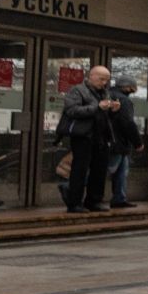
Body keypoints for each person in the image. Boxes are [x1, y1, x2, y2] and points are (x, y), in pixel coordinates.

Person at [60, 65, 120, 213]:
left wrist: (113, 110)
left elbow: (106, 116)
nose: (104, 83)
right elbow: (72, 110)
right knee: (79, 170)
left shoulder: (105, 93)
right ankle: (75, 203)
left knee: (99, 171)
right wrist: (97, 107)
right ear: (91, 76)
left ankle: (94, 201)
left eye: (106, 80)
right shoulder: (77, 90)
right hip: (83, 136)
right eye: (101, 79)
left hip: (102, 137)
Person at [108, 81, 141, 208]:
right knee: (107, 169)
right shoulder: (124, 101)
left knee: (121, 171)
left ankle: (119, 198)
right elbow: (128, 123)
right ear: (127, 87)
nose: (134, 90)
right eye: (133, 87)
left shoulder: (109, 95)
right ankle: (70, 187)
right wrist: (137, 142)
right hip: (119, 143)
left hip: (115, 142)